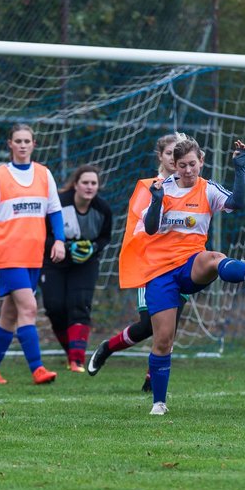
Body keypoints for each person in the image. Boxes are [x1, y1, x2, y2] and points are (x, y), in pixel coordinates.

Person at [139, 136, 245, 415]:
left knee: (213, 257)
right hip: (160, 271)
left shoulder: (208, 189)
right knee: (163, 339)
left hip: (191, 264)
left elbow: (237, 203)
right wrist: (156, 201)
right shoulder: (160, 188)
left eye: (192, 164)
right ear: (173, 165)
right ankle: (159, 403)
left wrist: (240, 168)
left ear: (201, 162)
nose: (188, 170)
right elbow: (150, 229)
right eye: (182, 165)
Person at [0, 123, 66, 385]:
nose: (22, 145)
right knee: (29, 308)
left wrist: (60, 241)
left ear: (34, 144)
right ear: (10, 143)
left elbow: (54, 211)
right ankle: (38, 369)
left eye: (27, 141)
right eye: (18, 140)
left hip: (34, 256)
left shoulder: (44, 174)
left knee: (9, 315)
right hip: (9, 255)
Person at [86, 133, 188, 389]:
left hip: (182, 264)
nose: (175, 159)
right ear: (161, 157)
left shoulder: (192, 186)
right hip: (152, 266)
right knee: (148, 325)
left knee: (170, 327)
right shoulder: (148, 187)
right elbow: (144, 227)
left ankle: (152, 379)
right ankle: (107, 348)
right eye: (169, 154)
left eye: (179, 153)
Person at [42, 164, 113, 372]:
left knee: (79, 304)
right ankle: (70, 351)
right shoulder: (58, 204)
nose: (89, 187)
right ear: (75, 185)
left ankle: (77, 359)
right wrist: (63, 246)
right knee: (54, 307)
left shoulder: (103, 209)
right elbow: (42, 234)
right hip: (55, 261)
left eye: (93, 183)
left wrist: (93, 246)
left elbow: (105, 237)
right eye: (85, 183)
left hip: (86, 263)